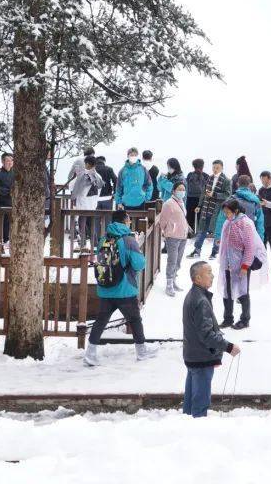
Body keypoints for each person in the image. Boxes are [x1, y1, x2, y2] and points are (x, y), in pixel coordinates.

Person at [84, 210, 158, 365]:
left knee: (101, 320)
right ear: (125, 221)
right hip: (125, 289)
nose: (130, 222)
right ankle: (141, 351)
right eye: (129, 219)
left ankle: (90, 352)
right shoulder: (129, 240)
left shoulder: (104, 238)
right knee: (135, 319)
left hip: (106, 288)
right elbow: (139, 263)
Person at [182, 261, 241, 417]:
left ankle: (186, 429)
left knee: (190, 403)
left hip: (192, 355)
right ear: (198, 278)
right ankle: (197, 433)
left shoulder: (194, 296)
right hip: (201, 358)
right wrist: (228, 347)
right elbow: (206, 335)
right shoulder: (200, 301)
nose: (213, 276)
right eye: (208, 272)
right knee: (200, 404)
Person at [217, 198, 260, 330]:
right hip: (228, 263)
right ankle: (228, 318)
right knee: (227, 291)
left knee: (242, 292)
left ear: (235, 211)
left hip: (241, 264)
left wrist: (245, 266)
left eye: (228, 212)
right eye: (224, 212)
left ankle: (245, 319)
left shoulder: (246, 223)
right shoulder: (228, 222)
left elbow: (250, 247)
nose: (226, 214)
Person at [189, 160, 231, 258]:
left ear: (222, 168)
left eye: (217, 168)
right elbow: (203, 193)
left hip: (218, 211)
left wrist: (215, 194)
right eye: (213, 167)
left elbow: (228, 195)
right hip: (206, 209)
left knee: (217, 232)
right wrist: (199, 206)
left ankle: (215, 251)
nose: (215, 170)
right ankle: (197, 250)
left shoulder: (226, 180)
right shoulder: (209, 178)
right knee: (201, 230)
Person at [158, 181, 191, 296]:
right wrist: (168, 231)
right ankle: (169, 284)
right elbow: (163, 221)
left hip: (182, 235)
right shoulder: (168, 203)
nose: (181, 191)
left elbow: (182, 217)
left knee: (178, 261)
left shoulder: (181, 202)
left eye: (183, 189)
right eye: (179, 189)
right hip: (172, 236)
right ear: (173, 190)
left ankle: (174, 280)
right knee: (172, 260)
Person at [65, 154, 104, 245]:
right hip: (93, 205)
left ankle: (83, 245)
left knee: (82, 225)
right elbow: (100, 189)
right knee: (92, 226)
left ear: (86, 164)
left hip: (82, 205)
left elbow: (71, 187)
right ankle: (94, 246)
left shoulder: (82, 175)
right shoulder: (98, 177)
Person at [115, 147, 154, 212]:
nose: (133, 157)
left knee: (141, 222)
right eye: (131, 155)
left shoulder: (143, 169)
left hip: (140, 203)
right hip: (126, 203)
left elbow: (149, 184)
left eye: (135, 155)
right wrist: (119, 202)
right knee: (126, 222)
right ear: (128, 156)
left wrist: (147, 197)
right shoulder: (122, 171)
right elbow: (118, 188)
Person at [0, 152, 15, 242]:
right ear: (3, 162)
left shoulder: (15, 173)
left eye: (11, 161)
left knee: (9, 223)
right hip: (0, 202)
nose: (10, 163)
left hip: (12, 202)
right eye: (7, 161)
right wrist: (8, 192)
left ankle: (7, 241)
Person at [185, 158, 208, 231]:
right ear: (202, 166)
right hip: (201, 199)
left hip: (190, 198)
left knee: (189, 217)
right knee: (201, 218)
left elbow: (186, 186)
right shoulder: (206, 176)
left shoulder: (189, 175)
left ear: (193, 166)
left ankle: (189, 233)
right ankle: (199, 233)